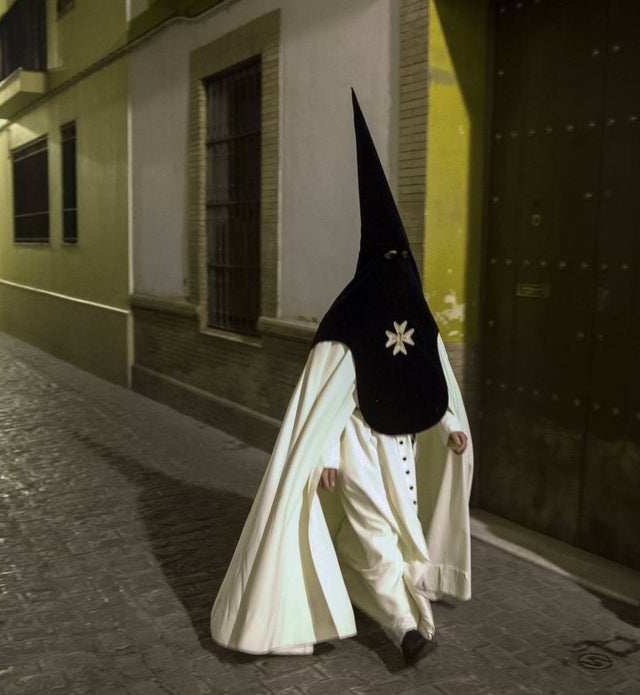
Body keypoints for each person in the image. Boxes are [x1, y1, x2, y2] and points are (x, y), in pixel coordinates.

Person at [210, 91, 474, 666]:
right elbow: (328, 395)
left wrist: (451, 425)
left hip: (402, 447)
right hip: (357, 443)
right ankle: (407, 630)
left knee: (396, 534)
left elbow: (431, 373)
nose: (396, 269)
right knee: (378, 538)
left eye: (401, 259)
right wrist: (325, 453)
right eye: (388, 260)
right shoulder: (349, 316)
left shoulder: (416, 311)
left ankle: (384, 605)